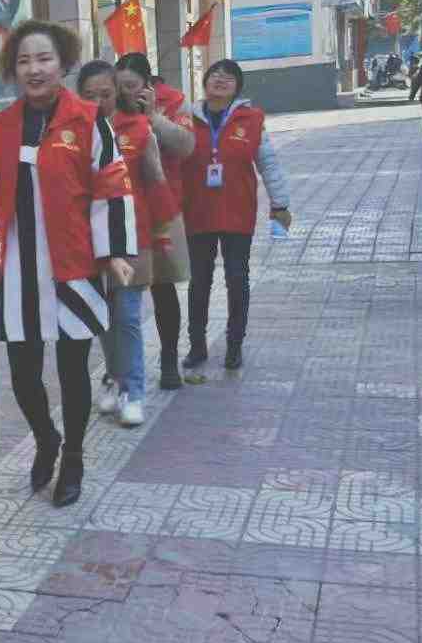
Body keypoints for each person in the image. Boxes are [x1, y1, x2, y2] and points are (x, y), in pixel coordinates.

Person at [0, 20, 136, 505]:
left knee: (73, 372)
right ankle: (46, 438)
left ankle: (73, 458)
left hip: (75, 265)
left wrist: (114, 252)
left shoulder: (89, 121)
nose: (34, 69)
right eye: (24, 61)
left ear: (62, 64)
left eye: (43, 59)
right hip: (18, 271)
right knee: (23, 375)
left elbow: (112, 186)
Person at [79, 60, 175, 427]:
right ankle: (115, 378)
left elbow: (156, 180)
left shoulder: (138, 129)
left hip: (134, 238)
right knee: (103, 319)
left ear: (117, 92)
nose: (98, 101)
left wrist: (164, 231)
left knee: (128, 317)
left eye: (105, 93)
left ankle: (134, 392)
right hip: (89, 241)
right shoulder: (72, 135)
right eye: (89, 95)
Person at [181, 58, 292, 372]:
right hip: (197, 212)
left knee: (237, 278)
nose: (220, 79)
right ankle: (197, 346)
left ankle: (234, 346)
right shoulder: (185, 118)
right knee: (199, 281)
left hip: (237, 213)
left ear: (237, 87)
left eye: (228, 77)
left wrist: (280, 204)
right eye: (215, 74)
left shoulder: (251, 119)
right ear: (205, 81)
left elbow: (268, 163)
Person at [115, 53, 195, 389]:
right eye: (120, 86)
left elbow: (186, 146)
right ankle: (118, 368)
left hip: (163, 207)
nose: (126, 93)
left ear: (147, 83)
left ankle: (169, 359)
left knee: (163, 286)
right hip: (123, 210)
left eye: (132, 85)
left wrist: (153, 118)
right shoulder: (110, 109)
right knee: (121, 292)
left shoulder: (174, 102)